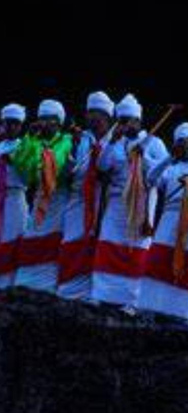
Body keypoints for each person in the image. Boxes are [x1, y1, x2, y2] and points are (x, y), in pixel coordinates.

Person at [91, 94, 169, 308]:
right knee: (108, 244)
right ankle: (101, 294)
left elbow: (164, 178)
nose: (124, 124)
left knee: (135, 250)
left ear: (138, 121)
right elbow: (102, 167)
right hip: (116, 202)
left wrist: (145, 158)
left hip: (141, 202)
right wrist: (113, 142)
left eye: (128, 120)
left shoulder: (154, 142)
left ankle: (132, 300)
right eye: (121, 120)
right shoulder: (114, 141)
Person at [137, 122, 188, 323]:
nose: (185, 147)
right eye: (180, 143)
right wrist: (169, 157)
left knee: (187, 267)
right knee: (158, 262)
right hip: (168, 221)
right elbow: (151, 178)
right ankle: (149, 309)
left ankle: (182, 315)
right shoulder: (171, 169)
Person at [57, 91, 115, 299]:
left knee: (99, 245)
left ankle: (95, 293)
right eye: (89, 112)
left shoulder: (115, 140)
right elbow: (67, 172)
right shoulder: (80, 139)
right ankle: (69, 292)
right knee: (73, 243)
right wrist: (71, 147)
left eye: (96, 112)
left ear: (107, 116)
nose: (91, 117)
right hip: (78, 199)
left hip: (104, 201)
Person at [12, 99, 73, 293]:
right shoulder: (32, 140)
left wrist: (40, 166)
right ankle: (26, 285)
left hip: (58, 200)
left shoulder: (66, 140)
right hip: (39, 199)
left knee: (53, 243)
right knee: (31, 240)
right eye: (41, 118)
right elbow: (23, 169)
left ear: (58, 122)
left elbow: (57, 162)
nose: (44, 123)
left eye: (48, 119)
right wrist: (29, 138)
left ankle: (50, 289)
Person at [0, 104, 28, 289]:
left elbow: (30, 176)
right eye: (8, 123)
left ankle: (9, 284)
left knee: (13, 240)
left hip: (15, 198)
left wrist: (15, 161)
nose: (11, 127)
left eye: (15, 123)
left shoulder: (26, 146)